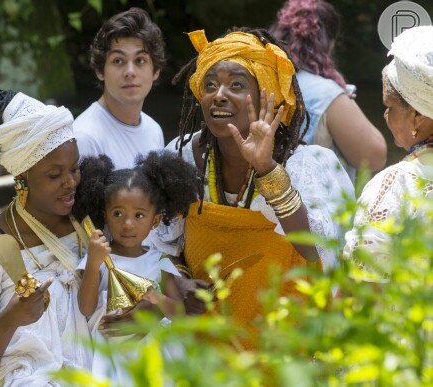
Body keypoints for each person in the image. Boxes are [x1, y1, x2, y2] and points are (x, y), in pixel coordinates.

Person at [142, 27, 355, 349]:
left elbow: (316, 248)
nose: (219, 94)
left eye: (237, 85)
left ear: (267, 95)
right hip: (207, 346)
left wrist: (267, 169)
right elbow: (157, 246)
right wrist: (178, 282)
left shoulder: (308, 165)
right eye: (210, 85)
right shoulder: (182, 157)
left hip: (286, 344)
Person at [0, 90, 91, 386]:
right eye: (54, 175)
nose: (71, 182)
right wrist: (10, 319)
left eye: (75, 168)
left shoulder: (87, 225)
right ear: (21, 178)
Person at [73, 150, 200, 382]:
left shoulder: (160, 262)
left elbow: (180, 314)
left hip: (158, 356)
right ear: (105, 215)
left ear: (155, 220)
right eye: (118, 213)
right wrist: (93, 264)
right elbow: (85, 308)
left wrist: (157, 300)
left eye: (139, 215)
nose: (128, 224)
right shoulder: (99, 257)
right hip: (113, 358)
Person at [343, 26, 433, 282]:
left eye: (390, 107)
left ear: (418, 116)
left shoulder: (397, 184)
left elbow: (360, 285)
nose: (385, 116)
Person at [270, 0, 387, 181]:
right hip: (314, 205)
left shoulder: (260, 82)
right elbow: (374, 157)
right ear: (327, 42)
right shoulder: (325, 93)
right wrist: (343, 100)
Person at [73, 7, 166, 170]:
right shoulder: (85, 138)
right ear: (100, 71)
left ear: (156, 71)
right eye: (118, 61)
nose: (130, 72)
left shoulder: (154, 130)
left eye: (140, 60)